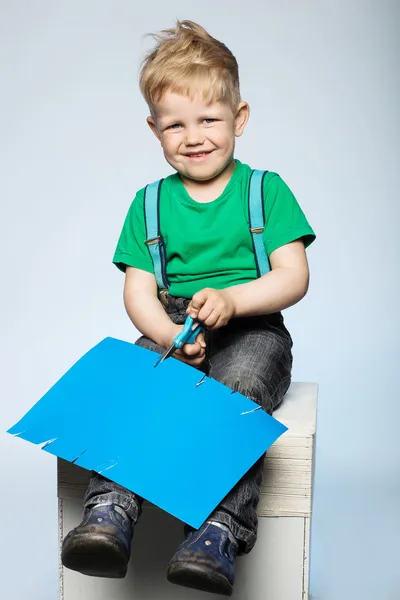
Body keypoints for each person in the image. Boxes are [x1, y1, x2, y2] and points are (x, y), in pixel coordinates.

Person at [61, 20, 315, 596]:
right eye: (175, 124)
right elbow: (137, 290)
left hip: (252, 326)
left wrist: (232, 298)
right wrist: (170, 331)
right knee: (138, 383)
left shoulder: (264, 191)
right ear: (154, 128)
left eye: (209, 120)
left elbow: (293, 276)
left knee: (240, 390)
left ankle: (217, 531)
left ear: (239, 119)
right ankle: (109, 513)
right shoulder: (149, 202)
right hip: (176, 323)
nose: (193, 136)